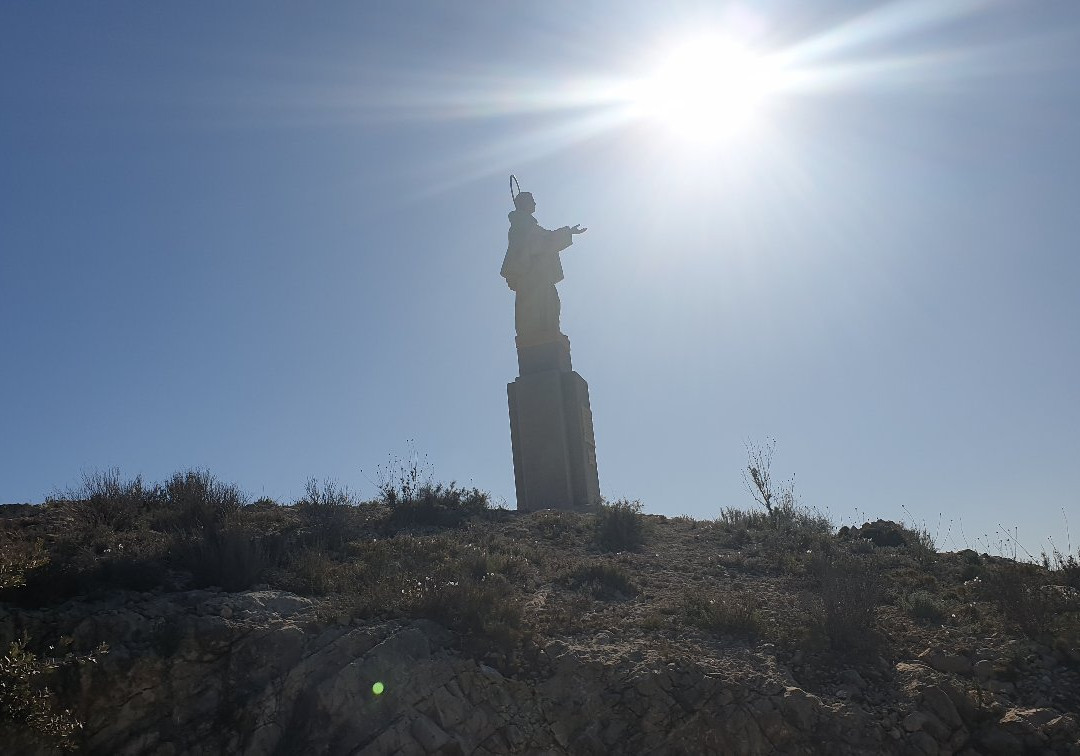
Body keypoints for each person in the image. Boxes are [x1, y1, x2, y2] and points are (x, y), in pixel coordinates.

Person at [500, 189, 586, 343]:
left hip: (540, 276)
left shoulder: (529, 224)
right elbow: (534, 245)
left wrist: (569, 232)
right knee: (537, 311)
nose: (534, 203)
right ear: (523, 203)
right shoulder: (520, 225)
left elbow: (547, 237)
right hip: (531, 277)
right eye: (531, 200)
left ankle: (548, 337)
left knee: (551, 306)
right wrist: (561, 237)